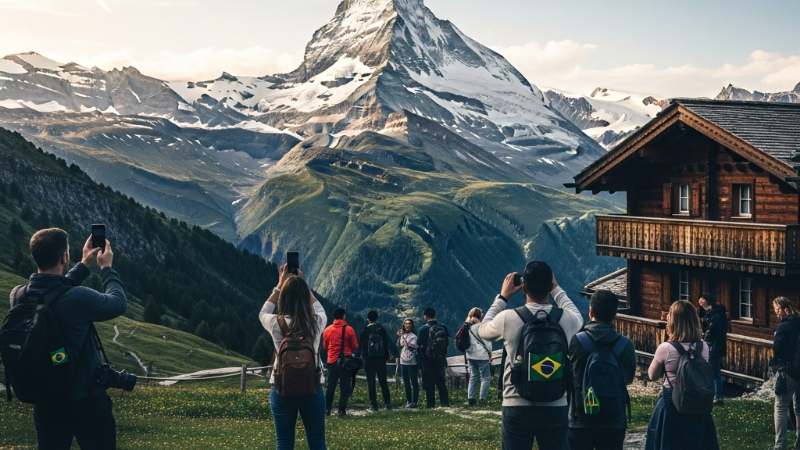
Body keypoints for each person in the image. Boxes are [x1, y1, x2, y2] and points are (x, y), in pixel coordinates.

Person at [9, 229, 126, 450]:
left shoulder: (19, 295)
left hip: (46, 401)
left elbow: (53, 290)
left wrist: (83, 264)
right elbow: (118, 303)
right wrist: (107, 268)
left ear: (35, 255)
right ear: (64, 256)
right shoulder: (79, 297)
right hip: (86, 400)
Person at [477, 260, 584, 450]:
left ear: (524, 288)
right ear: (550, 286)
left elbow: (482, 329)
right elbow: (578, 316)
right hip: (556, 403)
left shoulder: (508, 318)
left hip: (516, 403)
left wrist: (503, 297)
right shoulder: (566, 319)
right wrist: (557, 289)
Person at [259, 265, 327, 450]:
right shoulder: (316, 323)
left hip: (281, 387)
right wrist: (304, 285)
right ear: (305, 295)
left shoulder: (275, 323)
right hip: (312, 387)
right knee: (317, 442)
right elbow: (320, 309)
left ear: (284, 297)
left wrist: (279, 285)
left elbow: (263, 312)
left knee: (284, 443)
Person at [645, 300, 719, 450]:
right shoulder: (703, 346)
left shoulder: (665, 348)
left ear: (673, 323)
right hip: (697, 403)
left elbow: (652, 375)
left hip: (672, 404)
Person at [568, 290, 636, 450]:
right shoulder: (625, 345)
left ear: (591, 312)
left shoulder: (577, 341)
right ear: (614, 315)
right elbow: (628, 377)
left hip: (581, 418)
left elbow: (573, 376)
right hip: (614, 420)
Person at [772, 296, 800, 450]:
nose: (776, 313)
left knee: (781, 407)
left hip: (788, 371)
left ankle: (780, 445)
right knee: (799, 408)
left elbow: (778, 349)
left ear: (784, 309)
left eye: (777, 309)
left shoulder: (784, 326)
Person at [357, 310, 398, 411]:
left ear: (368, 319)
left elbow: (361, 346)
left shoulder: (364, 331)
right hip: (381, 360)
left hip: (368, 360)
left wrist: (357, 357)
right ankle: (388, 404)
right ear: (377, 318)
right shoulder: (382, 330)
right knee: (383, 382)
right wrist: (397, 354)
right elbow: (389, 343)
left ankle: (373, 405)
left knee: (371, 382)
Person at [322, 307, 358, 416]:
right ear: (343, 316)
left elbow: (325, 346)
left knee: (331, 386)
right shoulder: (349, 329)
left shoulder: (327, 330)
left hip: (332, 360)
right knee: (345, 386)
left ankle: (327, 409)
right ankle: (341, 411)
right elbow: (355, 345)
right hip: (345, 361)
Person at [417, 307, 450, 408]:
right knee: (441, 381)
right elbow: (447, 341)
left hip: (427, 359)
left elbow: (418, 343)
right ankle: (445, 402)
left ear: (425, 316)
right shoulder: (443, 327)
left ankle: (431, 404)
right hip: (440, 358)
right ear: (435, 315)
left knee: (429, 382)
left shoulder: (423, 329)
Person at [698, 292, 727, 406]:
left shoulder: (718, 315)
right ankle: (713, 395)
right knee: (711, 371)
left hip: (715, 346)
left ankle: (718, 397)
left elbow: (713, 331)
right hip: (712, 345)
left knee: (715, 372)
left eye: (704, 304)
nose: (703, 307)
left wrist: (707, 325)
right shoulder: (713, 314)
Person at [465, 307, 492, 406]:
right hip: (482, 355)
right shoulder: (482, 326)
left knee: (473, 377)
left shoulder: (467, 326)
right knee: (485, 377)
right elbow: (487, 341)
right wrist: (490, 353)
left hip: (471, 355)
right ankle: (482, 398)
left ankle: (471, 398)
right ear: (480, 316)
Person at [397, 318, 420, 408]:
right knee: (406, 382)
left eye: (409, 324)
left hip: (412, 362)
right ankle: (408, 400)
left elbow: (407, 345)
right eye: (406, 324)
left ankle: (415, 401)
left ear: (412, 325)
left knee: (414, 382)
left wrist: (402, 336)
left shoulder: (414, 337)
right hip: (403, 361)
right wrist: (401, 337)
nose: (407, 325)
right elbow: (400, 345)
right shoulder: (404, 335)